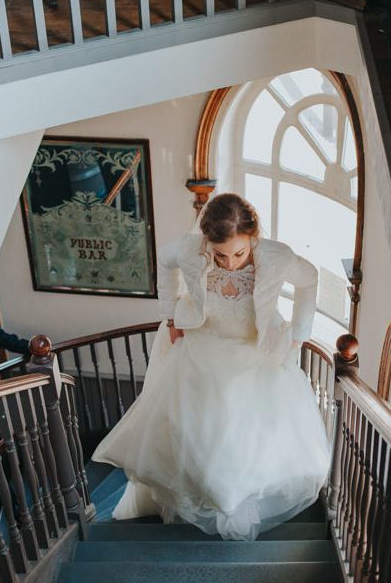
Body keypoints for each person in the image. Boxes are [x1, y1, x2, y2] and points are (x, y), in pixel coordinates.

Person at [92, 193, 331, 541]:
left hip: (255, 354)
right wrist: (169, 315)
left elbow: (309, 279)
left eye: (239, 253)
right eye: (220, 255)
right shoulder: (189, 249)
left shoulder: (277, 256)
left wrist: (299, 334)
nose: (230, 264)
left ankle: (233, 499)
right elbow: (164, 259)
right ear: (206, 241)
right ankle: (202, 496)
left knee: (245, 436)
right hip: (202, 348)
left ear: (254, 238)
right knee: (195, 432)